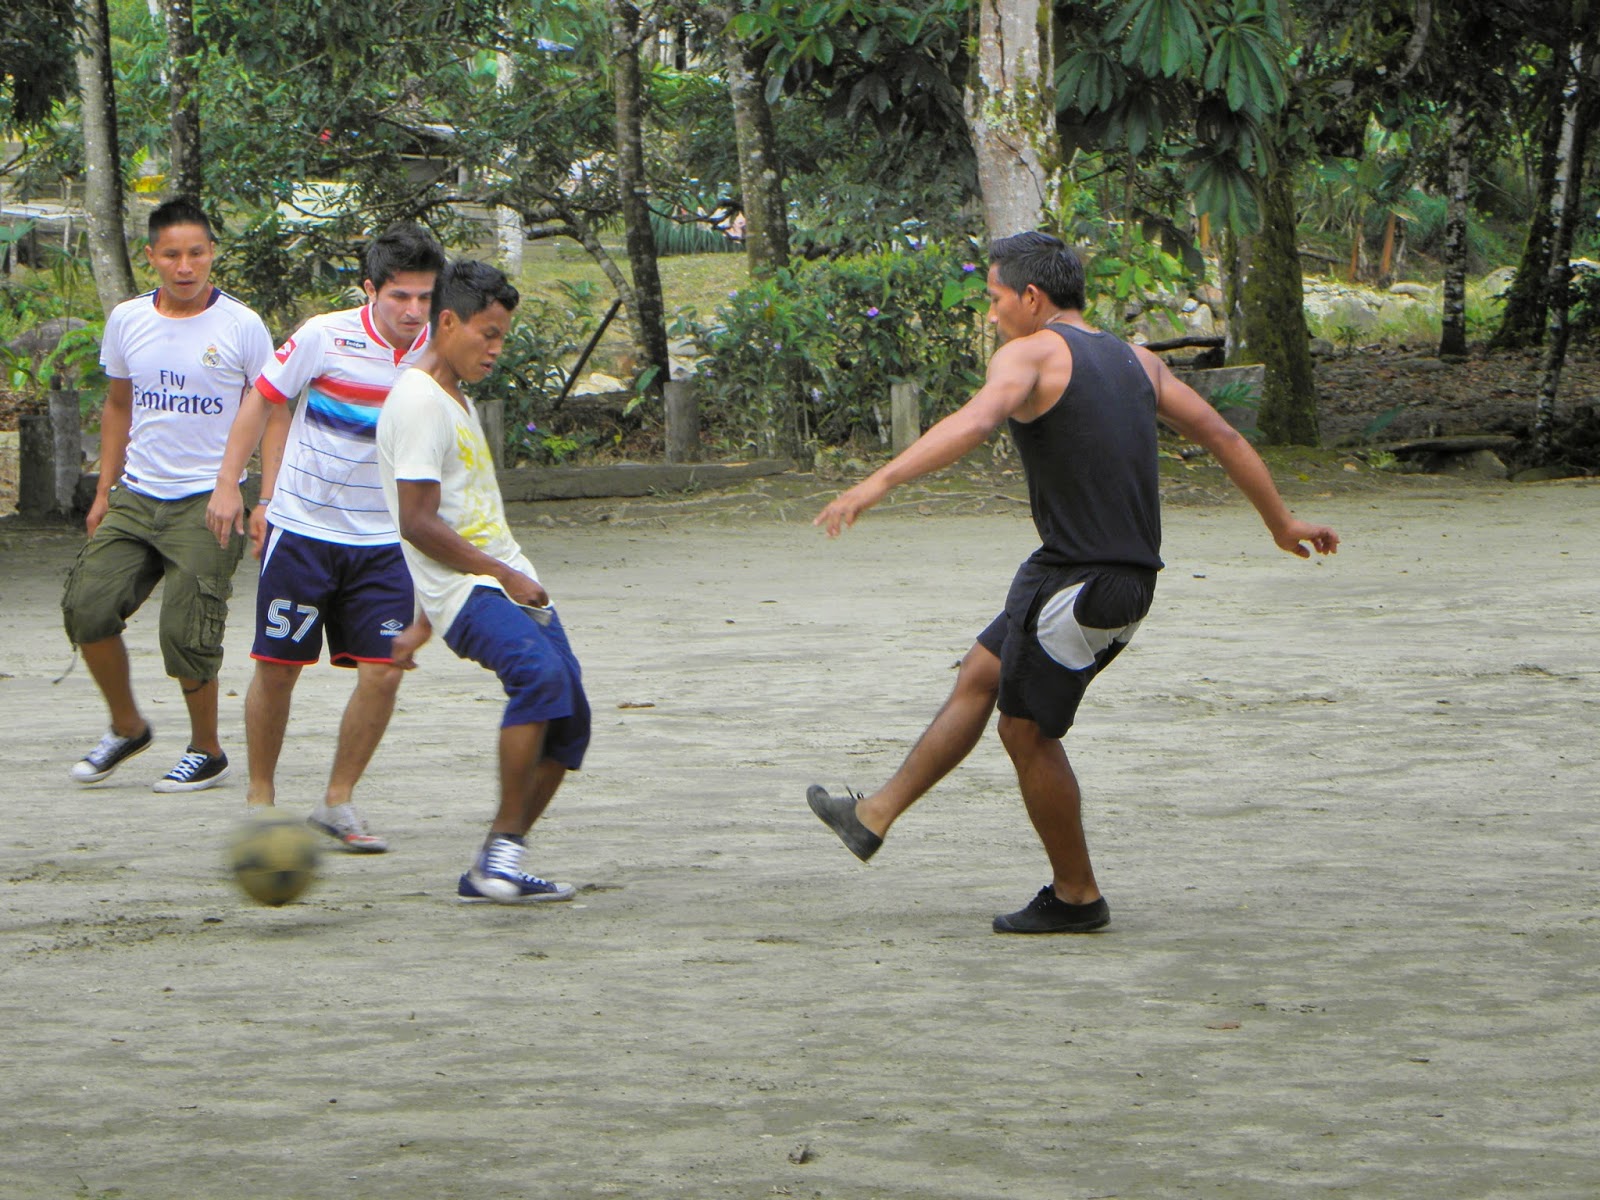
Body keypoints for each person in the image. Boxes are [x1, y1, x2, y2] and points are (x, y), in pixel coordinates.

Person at [809, 231, 1340, 934]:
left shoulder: (1028, 353)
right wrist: (1281, 522)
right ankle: (872, 816)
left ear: (1032, 297)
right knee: (980, 675)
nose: (992, 314)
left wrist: (873, 484)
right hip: (1097, 577)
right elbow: (1226, 438)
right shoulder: (1136, 361)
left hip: (1081, 582)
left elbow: (977, 419)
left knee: (1025, 732)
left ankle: (1077, 896)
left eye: (996, 299)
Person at [204, 223, 445, 851]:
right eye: (400, 296)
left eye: (424, 296)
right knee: (278, 668)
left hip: (386, 543)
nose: (413, 310)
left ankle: (338, 801)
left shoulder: (439, 352)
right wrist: (231, 483)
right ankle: (261, 798)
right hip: (304, 530)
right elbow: (261, 400)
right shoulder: (322, 335)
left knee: (385, 672)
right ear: (371, 290)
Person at [376, 259, 587, 905]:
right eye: (486, 334)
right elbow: (415, 521)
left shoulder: (452, 397)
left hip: (499, 579)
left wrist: (417, 621)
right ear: (447, 321)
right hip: (475, 589)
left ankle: (499, 861)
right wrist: (495, 576)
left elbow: (460, 507)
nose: (495, 350)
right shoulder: (416, 399)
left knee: (572, 717)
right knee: (539, 679)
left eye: (502, 337)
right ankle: (497, 856)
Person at [63, 198, 274, 791]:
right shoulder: (128, 319)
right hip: (135, 494)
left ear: (212, 254)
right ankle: (127, 726)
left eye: (198, 253)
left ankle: (206, 750)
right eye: (173, 255)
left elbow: (272, 408)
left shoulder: (241, 325)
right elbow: (119, 405)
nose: (186, 266)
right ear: (152, 257)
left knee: (188, 631)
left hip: (209, 500)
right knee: (87, 606)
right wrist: (105, 490)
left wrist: (256, 495)